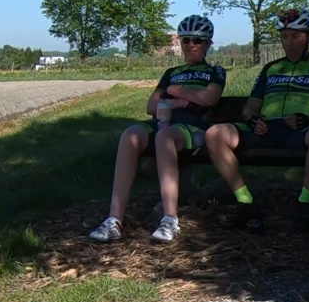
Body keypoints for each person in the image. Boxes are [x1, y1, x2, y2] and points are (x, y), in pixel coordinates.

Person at [201, 8, 309, 231]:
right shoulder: (271, 69)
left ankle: (304, 202)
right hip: (266, 129)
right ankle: (246, 201)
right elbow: (249, 109)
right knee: (214, 134)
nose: (289, 42)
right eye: (284, 36)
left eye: (295, 36)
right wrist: (252, 120)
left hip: (300, 133)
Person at [87, 16, 224, 244]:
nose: (191, 45)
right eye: (186, 40)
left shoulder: (215, 71)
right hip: (164, 122)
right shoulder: (172, 72)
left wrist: (175, 93)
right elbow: (151, 105)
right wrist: (185, 101)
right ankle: (114, 220)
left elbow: (209, 98)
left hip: (192, 127)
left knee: (164, 137)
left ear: (208, 44)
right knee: (130, 135)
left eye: (198, 41)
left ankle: (170, 220)